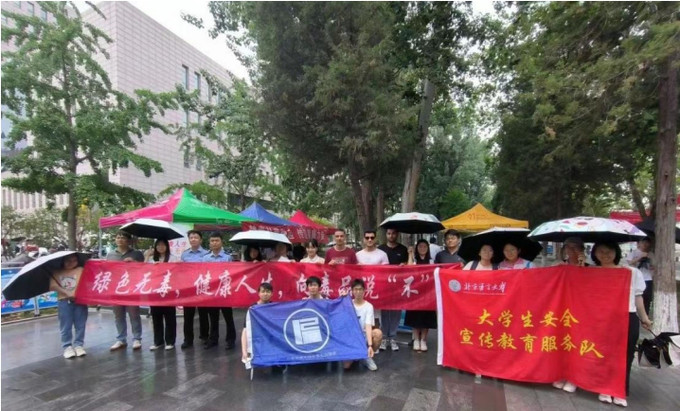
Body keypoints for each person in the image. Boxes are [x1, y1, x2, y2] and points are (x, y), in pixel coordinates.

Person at [591, 242, 652, 407]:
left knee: (626, 355)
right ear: (594, 253)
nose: (605, 254)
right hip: (601, 320)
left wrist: (644, 318)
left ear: (616, 252)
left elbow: (638, 297)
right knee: (603, 353)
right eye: (600, 251)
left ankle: (620, 390)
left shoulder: (631, 272)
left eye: (609, 251)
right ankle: (604, 388)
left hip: (627, 317)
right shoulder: (591, 272)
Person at [552, 236, 587, 393]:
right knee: (562, 343)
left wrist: (583, 268)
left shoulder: (590, 268)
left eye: (576, 247)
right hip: (562, 310)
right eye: (568, 247)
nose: (571, 250)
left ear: (582, 249)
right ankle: (561, 374)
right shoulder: (559, 266)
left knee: (577, 344)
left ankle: (574, 378)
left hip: (582, 312)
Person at [107, 230, 144, 351]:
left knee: (134, 314)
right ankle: (121, 339)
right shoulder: (110, 254)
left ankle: (137, 338)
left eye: (123, 238)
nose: (120, 240)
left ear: (128, 241)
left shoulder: (137, 254)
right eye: (118, 237)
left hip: (132, 288)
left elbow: (143, 269)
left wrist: (134, 262)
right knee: (118, 315)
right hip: (116, 289)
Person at [202, 232, 237, 350]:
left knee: (228, 316)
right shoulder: (205, 258)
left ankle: (231, 339)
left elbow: (232, 273)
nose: (214, 243)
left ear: (221, 242)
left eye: (217, 240)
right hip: (211, 292)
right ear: (209, 243)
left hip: (224, 291)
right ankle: (213, 339)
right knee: (213, 317)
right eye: (212, 241)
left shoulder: (228, 257)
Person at [49, 253, 87, 359]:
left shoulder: (80, 270)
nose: (71, 263)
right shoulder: (56, 272)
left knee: (80, 324)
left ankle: (79, 345)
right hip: (64, 301)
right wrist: (66, 292)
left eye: (74, 260)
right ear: (63, 261)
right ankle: (67, 346)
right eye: (68, 260)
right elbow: (52, 286)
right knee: (66, 325)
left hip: (80, 301)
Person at [378, 228, 409, 351]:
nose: (391, 235)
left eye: (393, 233)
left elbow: (408, 265)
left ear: (397, 234)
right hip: (384, 285)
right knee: (384, 312)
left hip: (398, 286)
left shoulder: (403, 249)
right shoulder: (380, 249)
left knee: (396, 312)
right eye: (389, 233)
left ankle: (393, 337)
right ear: (386, 234)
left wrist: (404, 264)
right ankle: (384, 338)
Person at [341, 279, 381, 371]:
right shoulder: (347, 304)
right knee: (346, 365)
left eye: (360, 289)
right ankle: (355, 355)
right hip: (351, 337)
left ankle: (366, 356)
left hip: (363, 336)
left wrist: (370, 345)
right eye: (355, 289)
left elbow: (368, 326)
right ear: (352, 291)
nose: (358, 292)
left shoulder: (369, 306)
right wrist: (342, 299)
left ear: (364, 291)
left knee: (377, 333)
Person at [146, 239, 179, 351]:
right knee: (156, 317)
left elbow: (176, 272)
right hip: (155, 292)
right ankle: (158, 341)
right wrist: (148, 257)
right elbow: (144, 271)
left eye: (163, 245)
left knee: (170, 317)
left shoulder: (173, 258)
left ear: (167, 246)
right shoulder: (152, 259)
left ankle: (170, 341)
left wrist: (164, 266)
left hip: (168, 291)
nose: (160, 247)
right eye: (158, 245)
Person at [405, 239, 437, 352]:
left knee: (426, 318)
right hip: (415, 294)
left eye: (424, 246)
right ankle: (416, 340)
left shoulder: (432, 261)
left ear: (428, 248)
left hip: (428, 294)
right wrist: (410, 254)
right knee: (415, 317)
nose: (422, 249)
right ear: (417, 248)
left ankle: (423, 340)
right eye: (420, 246)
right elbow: (408, 269)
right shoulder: (414, 260)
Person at [180, 230, 209, 349]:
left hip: (202, 287)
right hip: (189, 288)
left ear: (200, 240)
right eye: (191, 237)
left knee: (203, 313)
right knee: (188, 315)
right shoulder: (184, 254)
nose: (193, 239)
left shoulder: (207, 254)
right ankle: (188, 339)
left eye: (195, 237)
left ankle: (204, 336)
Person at [241, 282, 273, 365]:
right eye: (263, 291)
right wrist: (244, 351)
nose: (265, 294)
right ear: (258, 293)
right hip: (257, 341)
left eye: (268, 291)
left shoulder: (274, 307)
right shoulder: (252, 309)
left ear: (272, 293)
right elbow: (245, 330)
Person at [626, 238, 654, 315]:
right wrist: (640, 257)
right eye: (643, 242)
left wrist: (652, 263)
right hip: (636, 278)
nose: (645, 244)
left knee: (647, 298)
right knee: (636, 296)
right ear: (639, 243)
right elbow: (629, 263)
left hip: (648, 279)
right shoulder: (633, 252)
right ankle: (636, 314)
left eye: (647, 243)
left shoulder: (651, 254)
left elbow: (655, 265)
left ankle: (645, 315)